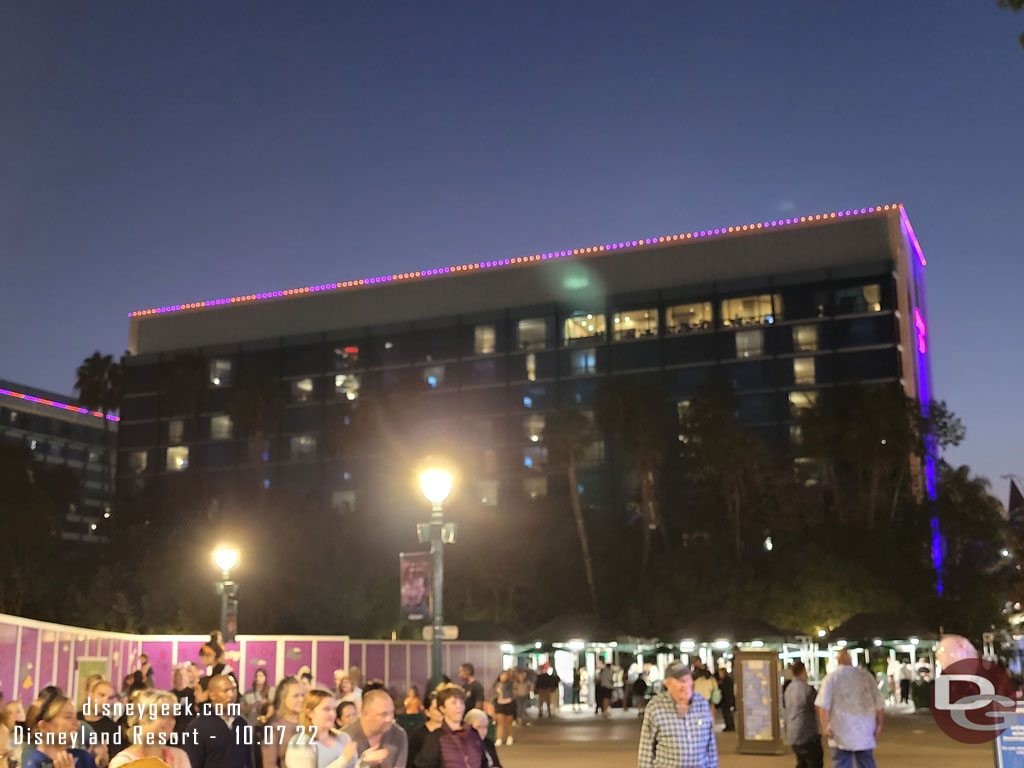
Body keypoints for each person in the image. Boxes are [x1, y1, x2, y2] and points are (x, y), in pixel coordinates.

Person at [637, 661, 717, 768]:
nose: (686, 685)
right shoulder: (655, 707)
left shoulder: (701, 703)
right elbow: (646, 751)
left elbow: (711, 746)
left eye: (688, 680)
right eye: (681, 681)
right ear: (667, 684)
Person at [815, 650, 884, 768]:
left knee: (841, 763)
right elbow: (879, 704)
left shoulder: (831, 678)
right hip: (865, 729)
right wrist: (879, 724)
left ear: (837, 661)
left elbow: (823, 705)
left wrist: (825, 727)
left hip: (840, 730)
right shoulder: (866, 676)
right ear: (850, 659)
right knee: (866, 762)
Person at [108, 690, 190, 768]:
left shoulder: (179, 757)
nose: (170, 722)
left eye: (172, 716)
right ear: (142, 718)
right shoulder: (123, 762)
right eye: (163, 714)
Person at [184, 674, 252, 768]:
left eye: (234, 689)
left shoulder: (242, 724)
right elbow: (193, 763)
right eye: (226, 691)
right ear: (212, 695)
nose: (231, 695)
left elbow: (249, 761)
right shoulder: (198, 727)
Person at [21, 690, 98, 768]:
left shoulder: (83, 758)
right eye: (68, 717)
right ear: (44, 727)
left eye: (76, 718)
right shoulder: (32, 763)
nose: (77, 724)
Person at [410, 686, 480, 768]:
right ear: (442, 708)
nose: (459, 706)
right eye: (454, 703)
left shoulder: (473, 733)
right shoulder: (435, 738)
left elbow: (483, 762)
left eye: (461, 702)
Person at [284, 690, 355, 768]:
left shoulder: (343, 737)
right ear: (310, 713)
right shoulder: (301, 742)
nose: (332, 714)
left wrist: (364, 761)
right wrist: (343, 760)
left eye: (334, 709)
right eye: (326, 709)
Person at [341, 689, 404, 768]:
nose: (389, 719)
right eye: (383, 714)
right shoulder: (344, 737)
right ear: (365, 714)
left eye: (391, 713)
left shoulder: (399, 734)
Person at [784, 662, 822, 768]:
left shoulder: (788, 689)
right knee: (814, 762)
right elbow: (818, 706)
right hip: (807, 734)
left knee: (802, 763)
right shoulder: (808, 689)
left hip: (793, 734)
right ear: (804, 671)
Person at [262, 677, 303, 768]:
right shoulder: (274, 726)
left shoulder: (309, 723)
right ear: (283, 698)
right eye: (296, 696)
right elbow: (269, 764)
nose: (301, 699)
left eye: (303, 695)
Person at [78, 679, 125, 758]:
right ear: (90, 695)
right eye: (101, 695)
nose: (105, 701)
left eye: (110, 698)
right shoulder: (74, 719)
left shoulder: (114, 730)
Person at [407, 690, 443, 767]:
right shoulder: (418, 735)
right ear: (427, 712)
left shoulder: (449, 732)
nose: (441, 711)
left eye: (442, 707)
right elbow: (410, 761)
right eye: (436, 708)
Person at [492, 672, 514, 747]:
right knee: (500, 722)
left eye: (505, 676)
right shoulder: (496, 684)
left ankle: (509, 737)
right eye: (502, 675)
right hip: (500, 704)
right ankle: (499, 738)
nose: (503, 677)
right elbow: (494, 694)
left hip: (509, 704)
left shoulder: (509, 684)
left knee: (508, 722)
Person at [714, 668, 734, 733]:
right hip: (726, 699)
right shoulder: (725, 680)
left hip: (726, 699)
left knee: (727, 713)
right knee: (726, 713)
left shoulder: (726, 680)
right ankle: (728, 725)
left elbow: (725, 690)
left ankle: (730, 726)